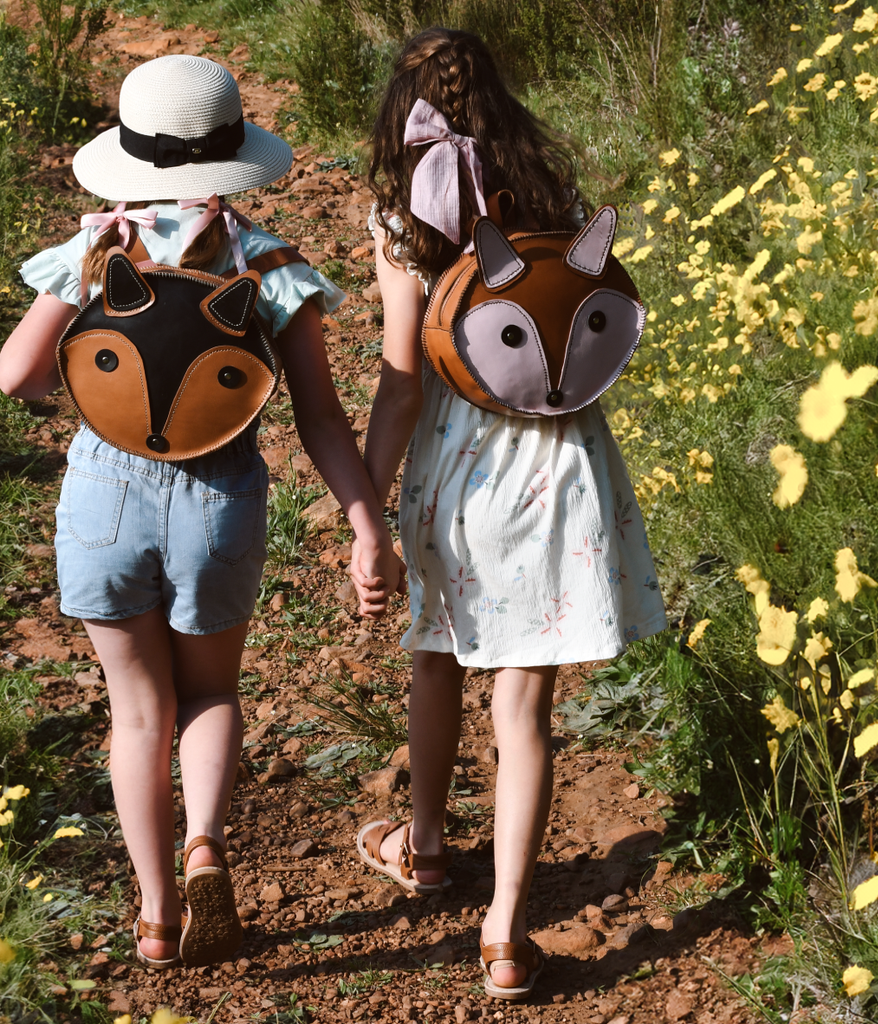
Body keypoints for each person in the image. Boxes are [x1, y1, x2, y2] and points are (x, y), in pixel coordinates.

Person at [0, 54, 399, 969]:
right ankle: (207, 843)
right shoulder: (269, 264)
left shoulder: (96, 250)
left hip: (106, 493)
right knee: (211, 691)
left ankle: (154, 912)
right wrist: (364, 524)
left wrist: (91, 368)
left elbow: (17, 377)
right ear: (234, 157)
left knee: (138, 713)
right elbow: (320, 416)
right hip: (219, 500)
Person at [351, 28, 667, 1000]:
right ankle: (504, 932)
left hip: (458, 466)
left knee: (435, 653)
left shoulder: (401, 220)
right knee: (523, 705)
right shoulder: (550, 199)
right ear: (502, 101)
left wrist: (364, 502)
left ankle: (426, 846)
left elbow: (401, 382)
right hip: (559, 462)